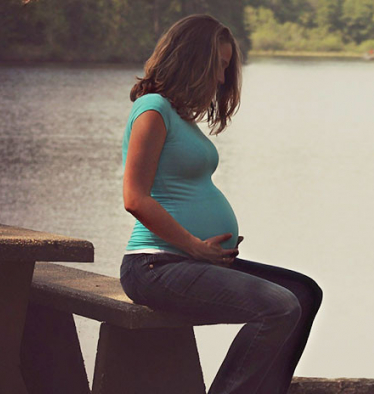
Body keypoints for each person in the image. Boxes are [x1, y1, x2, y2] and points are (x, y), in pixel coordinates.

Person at [119, 14, 322, 394]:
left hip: (187, 261)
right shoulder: (152, 109)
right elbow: (135, 197)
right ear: (192, 59)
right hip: (154, 264)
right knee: (279, 306)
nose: (220, 79)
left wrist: (204, 250)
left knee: (303, 294)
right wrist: (194, 245)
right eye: (219, 66)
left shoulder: (179, 117)